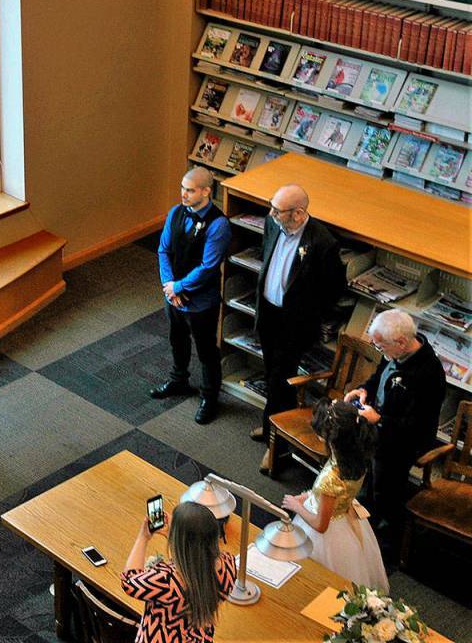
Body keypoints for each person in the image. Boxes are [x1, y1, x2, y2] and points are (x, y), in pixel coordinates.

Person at [252, 184, 345, 474]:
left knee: (282, 381)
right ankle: (272, 424)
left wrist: (310, 312)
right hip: (268, 313)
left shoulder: (322, 243)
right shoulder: (272, 224)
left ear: (299, 213)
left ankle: (276, 447)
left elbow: (334, 288)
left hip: (294, 324)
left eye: (277, 210)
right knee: (271, 373)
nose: (270, 214)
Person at [345, 309, 445, 549]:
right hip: (378, 427)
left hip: (402, 442)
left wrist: (379, 419)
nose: (380, 351)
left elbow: (418, 426)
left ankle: (385, 541)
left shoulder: (429, 374)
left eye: (381, 347)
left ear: (401, 342)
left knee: (386, 490)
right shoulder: (392, 352)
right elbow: (379, 376)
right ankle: (364, 520)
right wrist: (363, 389)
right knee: (367, 477)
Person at [149, 167, 231, 424]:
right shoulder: (175, 213)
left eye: (190, 190)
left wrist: (180, 287)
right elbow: (163, 250)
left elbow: (208, 267)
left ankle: (209, 396)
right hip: (173, 295)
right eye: (182, 188)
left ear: (206, 191)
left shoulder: (219, 225)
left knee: (206, 350)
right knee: (178, 340)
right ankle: (178, 380)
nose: (184, 194)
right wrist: (169, 286)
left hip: (201, 303)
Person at [282, 399, 389, 592]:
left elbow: (320, 525)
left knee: (314, 582)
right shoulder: (358, 459)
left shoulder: (329, 478)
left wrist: (296, 505)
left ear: (328, 436)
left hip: (326, 533)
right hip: (347, 521)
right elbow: (340, 495)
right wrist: (308, 497)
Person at [121, 502, 237, 643]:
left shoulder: (166, 580)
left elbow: (129, 581)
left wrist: (143, 537)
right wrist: (178, 539)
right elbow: (195, 565)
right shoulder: (228, 566)